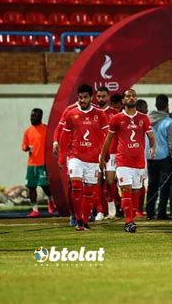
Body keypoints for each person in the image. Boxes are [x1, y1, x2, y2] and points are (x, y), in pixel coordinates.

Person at [100, 89, 155, 233]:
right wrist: (102, 156)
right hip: (123, 160)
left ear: (136, 99)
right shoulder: (117, 118)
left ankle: (132, 217)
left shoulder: (144, 118)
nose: (131, 98)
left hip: (139, 161)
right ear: (123, 100)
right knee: (126, 189)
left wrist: (153, 148)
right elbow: (109, 139)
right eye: (128, 96)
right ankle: (128, 221)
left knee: (136, 191)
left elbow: (151, 137)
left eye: (133, 96)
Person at [58, 84, 109, 231]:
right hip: (76, 156)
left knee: (89, 191)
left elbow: (107, 137)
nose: (82, 100)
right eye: (80, 97)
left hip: (93, 159)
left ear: (91, 97)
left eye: (85, 97)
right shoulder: (71, 114)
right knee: (75, 186)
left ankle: (85, 221)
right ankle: (78, 219)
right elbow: (64, 136)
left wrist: (104, 155)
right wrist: (61, 157)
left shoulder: (99, 114)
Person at [147, 95, 172, 220]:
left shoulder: (147, 120)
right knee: (164, 186)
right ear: (167, 105)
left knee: (152, 185)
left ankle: (149, 212)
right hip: (164, 157)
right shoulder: (169, 122)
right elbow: (171, 143)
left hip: (150, 156)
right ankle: (161, 212)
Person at [22, 108, 54, 217]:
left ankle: (50, 200)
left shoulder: (46, 129)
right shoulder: (28, 131)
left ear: (40, 117)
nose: (32, 118)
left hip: (43, 164)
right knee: (31, 187)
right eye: (31, 116)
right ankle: (35, 210)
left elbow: (52, 144)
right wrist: (26, 148)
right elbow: (24, 146)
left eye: (34, 116)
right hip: (32, 164)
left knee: (45, 185)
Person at [94, 86, 118, 221]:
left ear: (108, 97)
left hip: (112, 153)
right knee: (97, 181)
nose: (101, 99)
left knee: (109, 181)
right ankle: (100, 211)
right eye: (98, 96)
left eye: (103, 96)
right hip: (95, 153)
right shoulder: (92, 113)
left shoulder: (114, 113)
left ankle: (112, 205)